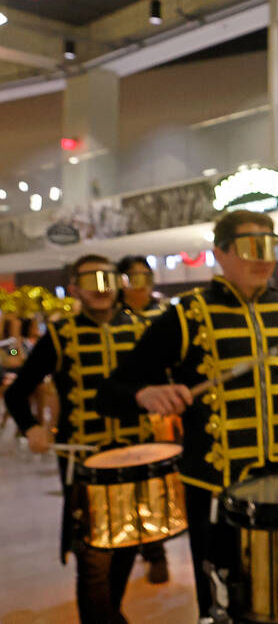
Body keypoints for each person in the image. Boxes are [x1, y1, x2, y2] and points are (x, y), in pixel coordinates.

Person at [99, 210, 278, 623]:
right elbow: (111, 392)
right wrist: (145, 393)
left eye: (270, 246)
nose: (262, 258)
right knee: (223, 602)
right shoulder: (186, 315)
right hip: (214, 489)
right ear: (221, 254)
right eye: (250, 246)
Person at [4, 254, 152, 624]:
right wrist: (32, 427)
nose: (100, 289)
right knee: (93, 554)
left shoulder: (143, 329)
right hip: (82, 458)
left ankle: (111, 612)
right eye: (90, 281)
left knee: (129, 542)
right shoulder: (59, 335)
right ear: (74, 289)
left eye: (106, 279)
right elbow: (17, 392)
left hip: (136, 453)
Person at [115, 253, 172, 583]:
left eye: (146, 278)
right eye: (134, 279)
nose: (142, 287)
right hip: (123, 414)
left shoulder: (164, 314)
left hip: (161, 416)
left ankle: (155, 550)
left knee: (155, 486)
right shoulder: (114, 318)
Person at [116, 255, 167, 321]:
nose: (141, 283)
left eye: (146, 276)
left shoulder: (164, 311)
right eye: (134, 277)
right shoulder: (112, 315)